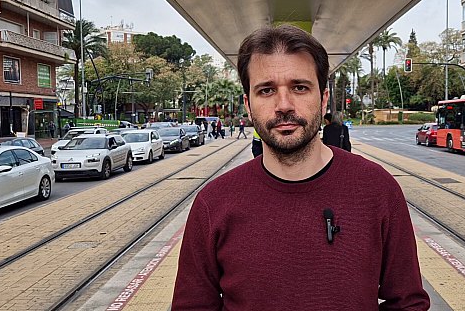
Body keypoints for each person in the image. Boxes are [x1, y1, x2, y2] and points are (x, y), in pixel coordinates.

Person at [172, 25, 430, 310]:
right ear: (248, 104)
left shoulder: (377, 189)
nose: (284, 105)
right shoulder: (213, 203)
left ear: (323, 98)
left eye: (299, 87)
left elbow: (408, 302)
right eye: (267, 90)